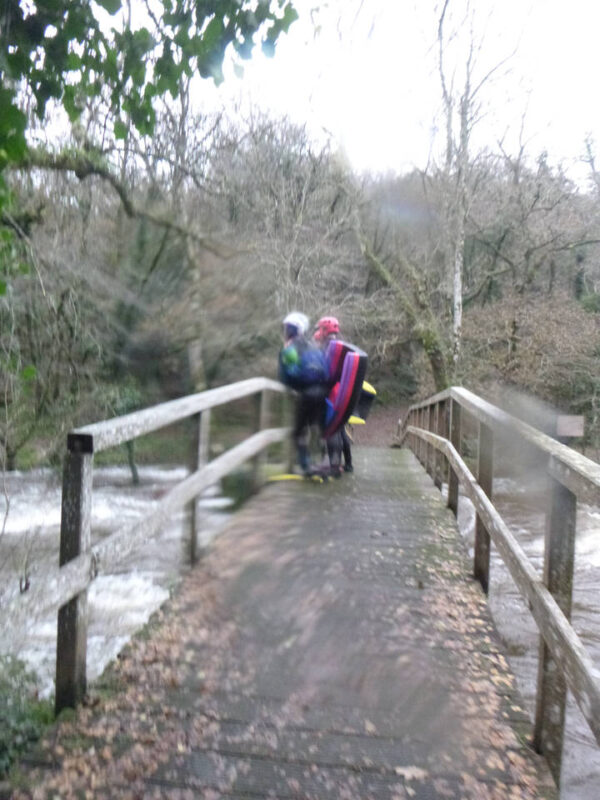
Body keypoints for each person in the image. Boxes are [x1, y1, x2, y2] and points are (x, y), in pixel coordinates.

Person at [278, 312, 329, 475]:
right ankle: (320, 461)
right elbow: (326, 371)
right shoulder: (314, 346)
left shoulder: (290, 348)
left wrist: (291, 384)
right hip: (322, 393)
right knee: (314, 426)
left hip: (307, 393)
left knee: (298, 432)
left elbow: (289, 375)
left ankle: (307, 466)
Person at [313, 316, 354, 474]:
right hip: (341, 391)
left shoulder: (327, 347)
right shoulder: (340, 345)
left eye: (320, 329)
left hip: (330, 393)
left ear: (324, 330)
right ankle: (348, 464)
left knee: (331, 429)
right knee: (340, 429)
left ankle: (334, 466)